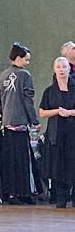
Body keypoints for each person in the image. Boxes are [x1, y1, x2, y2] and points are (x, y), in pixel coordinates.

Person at [0, 43, 39, 204]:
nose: (28, 63)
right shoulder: (25, 75)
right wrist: (34, 121)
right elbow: (28, 101)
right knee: (23, 160)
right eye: (26, 59)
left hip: (7, 123)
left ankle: (11, 193)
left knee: (10, 160)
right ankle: (24, 193)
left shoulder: (2, 75)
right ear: (19, 58)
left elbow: (0, 102)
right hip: (21, 123)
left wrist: (6, 115)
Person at [39, 57, 75, 208]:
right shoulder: (49, 91)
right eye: (58, 67)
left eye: (64, 67)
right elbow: (42, 113)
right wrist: (57, 111)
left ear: (69, 69)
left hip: (72, 133)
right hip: (56, 134)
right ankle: (61, 197)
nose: (61, 69)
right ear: (54, 69)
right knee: (58, 165)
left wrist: (70, 112)